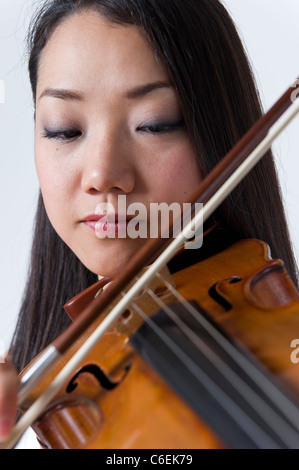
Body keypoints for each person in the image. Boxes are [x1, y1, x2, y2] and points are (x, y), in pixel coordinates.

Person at [0, 0, 298, 448]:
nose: (102, 175)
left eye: (155, 124)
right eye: (64, 130)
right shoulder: (39, 403)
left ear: (217, 133)